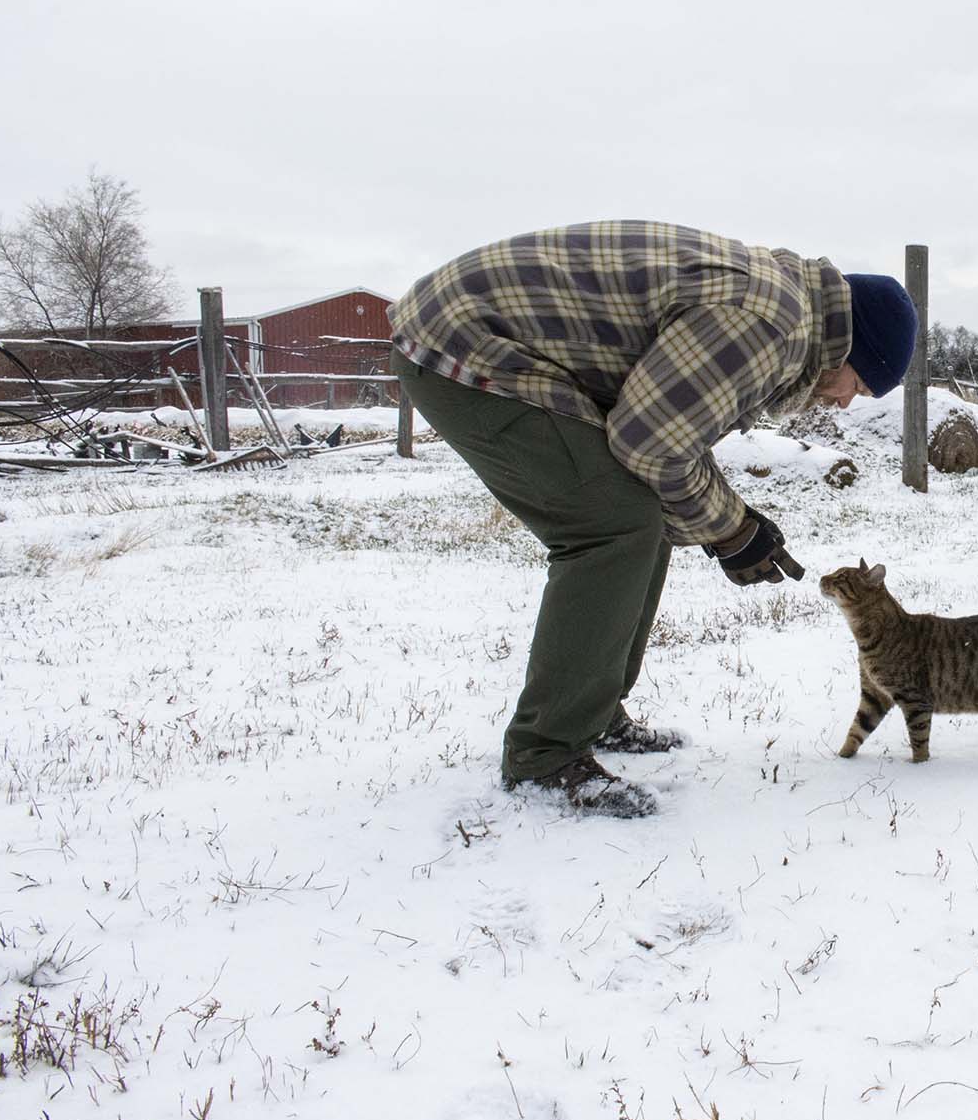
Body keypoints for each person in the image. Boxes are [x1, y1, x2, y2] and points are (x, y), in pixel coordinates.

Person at [389, 220, 916, 816]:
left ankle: (594, 712)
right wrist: (733, 531)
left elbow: (671, 434)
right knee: (613, 525)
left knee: (647, 512)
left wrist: (734, 525)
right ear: (851, 349)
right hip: (463, 343)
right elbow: (650, 444)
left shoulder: (783, 309)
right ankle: (547, 755)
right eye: (862, 386)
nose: (845, 401)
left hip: (479, 330)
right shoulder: (769, 323)